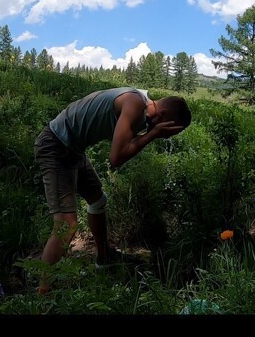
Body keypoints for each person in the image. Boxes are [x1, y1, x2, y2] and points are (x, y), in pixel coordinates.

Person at [33, 87, 191, 295]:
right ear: (163, 116)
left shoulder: (141, 106)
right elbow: (116, 158)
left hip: (73, 148)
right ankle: (43, 294)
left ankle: (104, 258)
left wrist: (150, 132)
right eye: (170, 132)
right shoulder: (135, 104)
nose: (166, 138)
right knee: (67, 224)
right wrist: (152, 135)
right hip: (55, 145)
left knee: (98, 201)